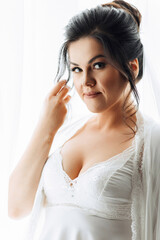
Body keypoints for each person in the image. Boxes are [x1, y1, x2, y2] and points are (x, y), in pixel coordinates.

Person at [8, 0, 160, 239]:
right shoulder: (65, 132)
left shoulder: (151, 142)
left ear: (132, 68)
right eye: (76, 69)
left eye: (98, 65)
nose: (85, 81)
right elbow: (16, 208)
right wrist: (45, 128)